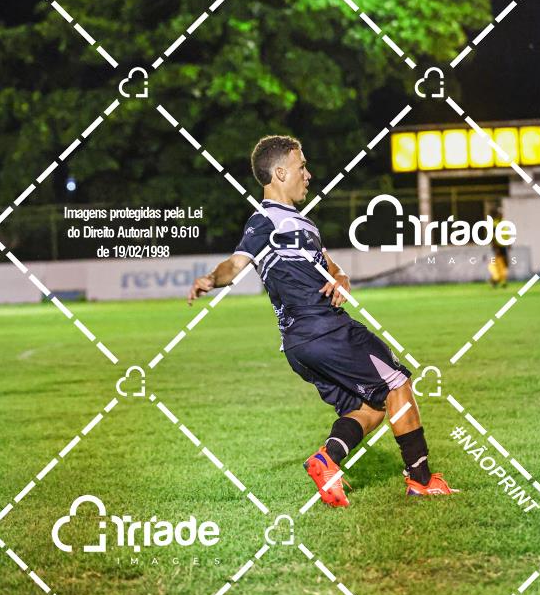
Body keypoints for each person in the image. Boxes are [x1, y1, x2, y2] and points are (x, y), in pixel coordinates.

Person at [188, 135, 456, 505]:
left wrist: (340, 277)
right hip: (326, 330)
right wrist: (210, 279)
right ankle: (421, 481)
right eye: (301, 167)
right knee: (398, 385)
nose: (308, 175)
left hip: (300, 346)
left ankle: (326, 461)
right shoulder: (265, 221)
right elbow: (235, 264)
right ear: (280, 173)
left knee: (368, 408)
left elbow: (329, 265)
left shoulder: (302, 224)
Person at [488, 210, 509, 287]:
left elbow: (506, 234)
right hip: (498, 246)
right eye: (499, 214)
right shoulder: (494, 224)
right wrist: (495, 247)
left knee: (505, 263)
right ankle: (496, 280)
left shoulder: (504, 223)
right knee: (499, 264)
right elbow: (492, 236)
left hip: (504, 246)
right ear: (497, 215)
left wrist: (509, 243)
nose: (501, 215)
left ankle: (498, 280)